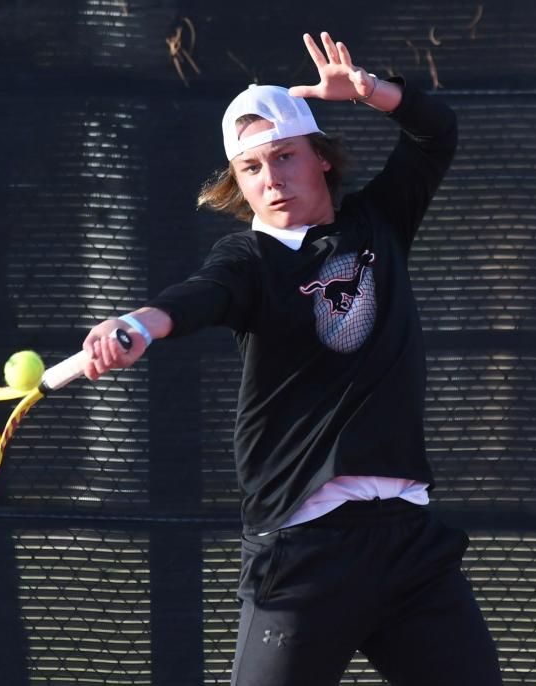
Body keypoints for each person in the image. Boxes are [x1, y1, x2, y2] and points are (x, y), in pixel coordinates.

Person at [80, 31, 503, 686]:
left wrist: (373, 93)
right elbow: (196, 298)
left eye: (285, 157)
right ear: (237, 183)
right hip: (307, 550)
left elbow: (435, 133)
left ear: (321, 160)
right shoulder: (247, 261)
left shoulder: (379, 222)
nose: (271, 179)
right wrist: (139, 323)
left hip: (410, 546)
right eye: (252, 168)